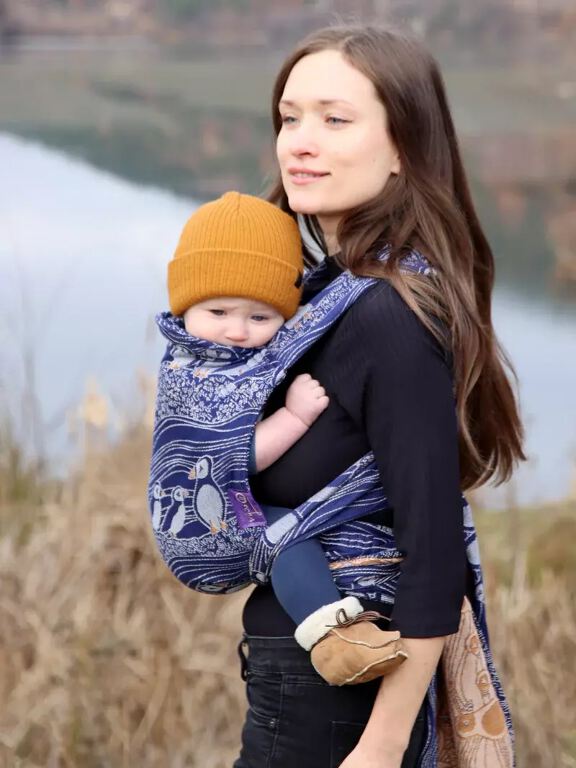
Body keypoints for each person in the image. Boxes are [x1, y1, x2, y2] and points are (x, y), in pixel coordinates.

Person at [233, 24, 525, 768]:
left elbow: (431, 551)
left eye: (335, 120)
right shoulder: (321, 301)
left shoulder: (385, 314)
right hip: (298, 682)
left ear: (403, 148)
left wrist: (383, 743)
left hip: (341, 707)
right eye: (289, 117)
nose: (300, 141)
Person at [162, 190, 408, 685]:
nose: (237, 331)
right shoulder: (193, 373)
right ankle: (332, 638)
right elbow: (231, 456)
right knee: (285, 539)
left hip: (236, 516)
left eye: (260, 317)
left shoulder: (246, 358)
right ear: (184, 306)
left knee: (288, 536)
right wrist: (294, 419)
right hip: (202, 528)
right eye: (219, 313)